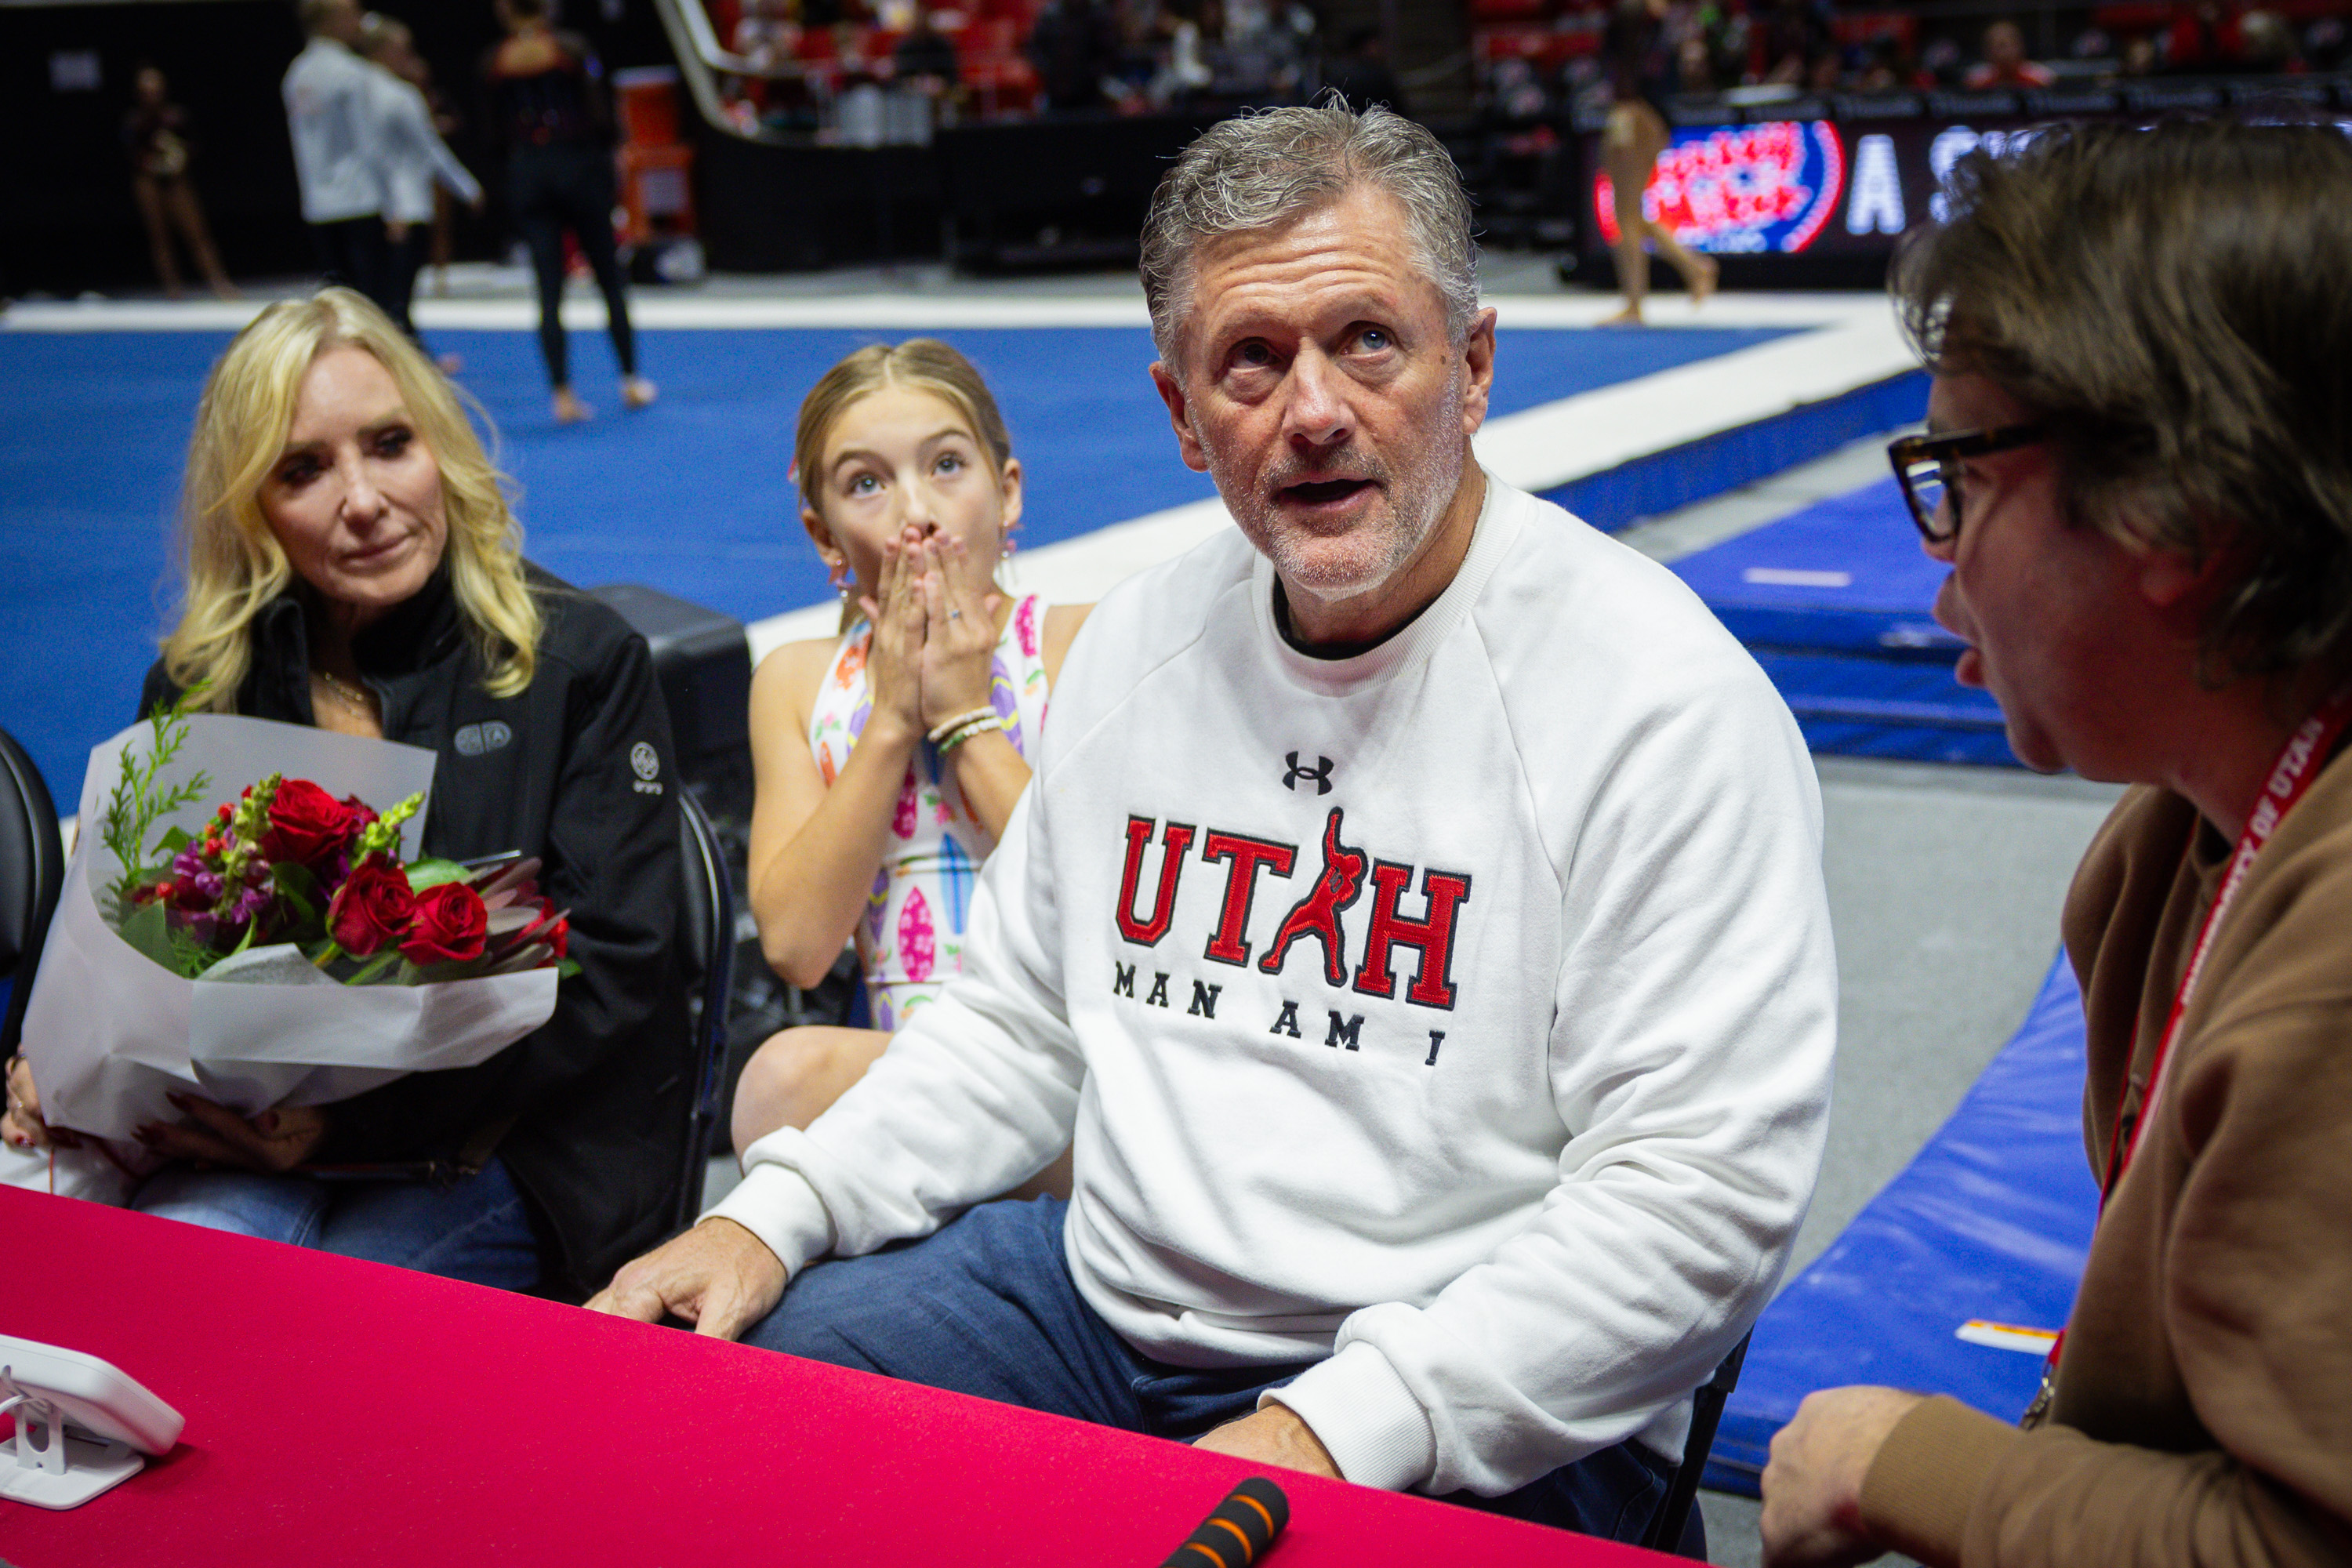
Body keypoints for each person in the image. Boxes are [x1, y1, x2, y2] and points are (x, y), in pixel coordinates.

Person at [590, 103, 1835, 1547]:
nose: (1312, 408)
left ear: (1476, 365)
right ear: (1183, 416)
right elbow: (1019, 1028)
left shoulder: (1659, 701)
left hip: (1468, 1360)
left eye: (1370, 338)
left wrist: (1338, 1422)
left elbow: (1701, 1196)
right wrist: (770, 1215)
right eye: (1251, 358)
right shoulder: (1141, 650)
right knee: (738, 1421)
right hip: (1103, 1306)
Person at [1759, 118, 2352, 1568]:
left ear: (2177, 511)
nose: (1939, 552)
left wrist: (1911, 1466)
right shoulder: (2172, 850)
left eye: (1958, 477)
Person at [2, 288, 691, 1301]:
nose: (362, 499)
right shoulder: (204, 685)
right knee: (177, 1281)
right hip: (246, 1137)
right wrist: (54, 1065)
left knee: (317, 1309)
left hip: (520, 1144)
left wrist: (344, 1125)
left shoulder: (579, 662)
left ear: (441, 449)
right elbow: (132, 950)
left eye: (389, 445)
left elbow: (619, 971)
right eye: (305, 470)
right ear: (254, 505)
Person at [726, 340, 1091, 1163]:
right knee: (782, 1081)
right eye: (868, 483)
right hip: (915, 1074)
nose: (915, 511)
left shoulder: (1076, 641)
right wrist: (890, 718)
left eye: (948, 465)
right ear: (824, 535)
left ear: (1007, 493)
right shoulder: (799, 682)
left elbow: (1104, 907)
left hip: (1072, 1065)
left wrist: (964, 715)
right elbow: (796, 947)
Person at [483, 0, 655, 425]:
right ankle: (631, 379)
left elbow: (491, 129)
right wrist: (608, 154)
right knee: (608, 277)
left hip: (528, 171)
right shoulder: (571, 49)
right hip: (577, 167)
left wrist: (519, 166)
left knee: (548, 287)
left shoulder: (493, 61)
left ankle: (561, 394)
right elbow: (599, 111)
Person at [358, 14, 484, 347]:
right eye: (403, 51)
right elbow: (431, 149)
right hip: (405, 206)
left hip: (366, 204)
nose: (410, 59)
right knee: (397, 298)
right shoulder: (399, 95)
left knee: (384, 296)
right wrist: (468, 188)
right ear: (382, 52)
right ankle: (409, 363)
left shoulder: (356, 92)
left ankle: (410, 358)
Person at [1599, 0, 1719, 326]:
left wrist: (1624, 114)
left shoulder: (1640, 16)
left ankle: (1638, 302)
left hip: (1637, 111)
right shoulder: (1651, 21)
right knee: (1629, 214)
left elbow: (1629, 67)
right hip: (1641, 110)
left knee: (1625, 212)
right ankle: (1692, 267)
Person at [285, 0, 394, 313]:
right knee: (374, 303)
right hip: (360, 202)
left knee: (337, 304)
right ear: (331, 21)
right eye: (353, 14)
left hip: (319, 205)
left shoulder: (297, 74)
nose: (360, 21)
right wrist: (391, 203)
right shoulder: (352, 73)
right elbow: (370, 144)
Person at [122, 64, 238, 301]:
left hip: (176, 180)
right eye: (147, 91)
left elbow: (193, 145)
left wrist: (178, 155)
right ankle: (173, 289)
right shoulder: (134, 121)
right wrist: (152, 163)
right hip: (148, 182)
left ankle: (219, 282)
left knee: (197, 233)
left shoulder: (176, 116)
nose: (153, 96)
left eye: (157, 90)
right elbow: (131, 154)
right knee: (159, 236)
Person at [1962, 19, 2056, 87]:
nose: (2005, 53)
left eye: (2007, 45)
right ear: (1987, 51)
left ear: (2020, 47)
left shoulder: (2043, 79)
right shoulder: (1975, 81)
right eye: (1998, 47)